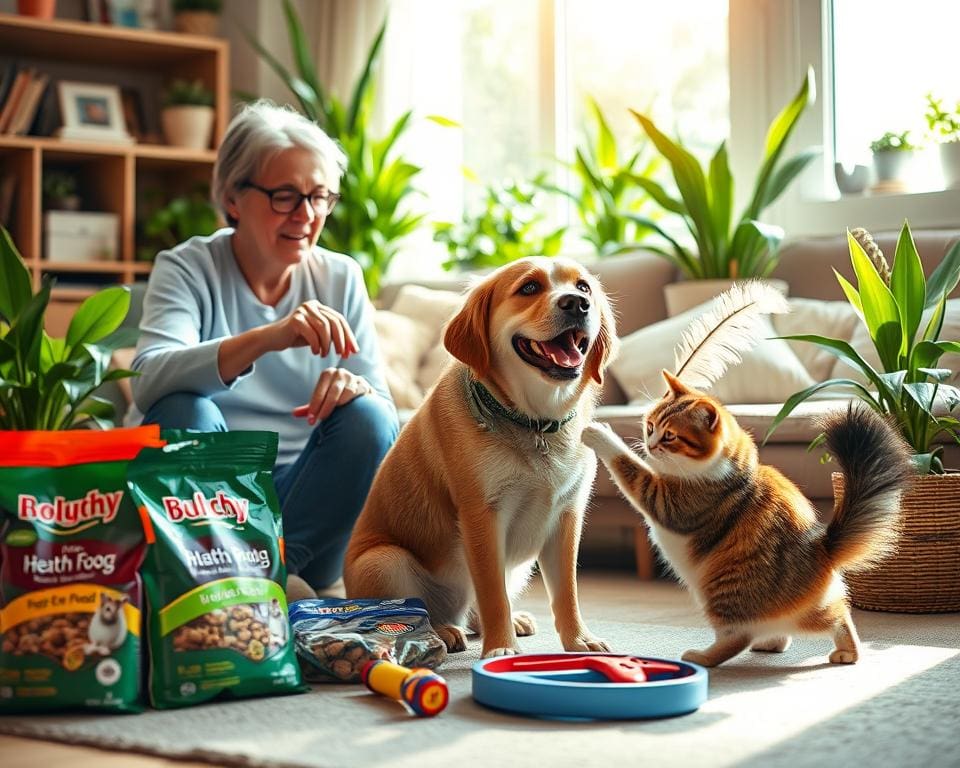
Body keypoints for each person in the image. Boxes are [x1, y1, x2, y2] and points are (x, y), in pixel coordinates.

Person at [130, 100, 399, 601]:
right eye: (284, 196)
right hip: (208, 503)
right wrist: (273, 335)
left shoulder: (339, 276)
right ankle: (262, 580)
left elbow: (384, 421)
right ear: (233, 198)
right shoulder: (187, 267)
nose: (306, 215)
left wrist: (353, 386)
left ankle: (265, 573)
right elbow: (148, 379)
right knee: (184, 406)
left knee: (369, 415)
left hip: (309, 512)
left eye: (320, 197)